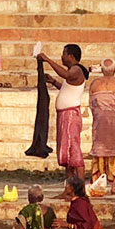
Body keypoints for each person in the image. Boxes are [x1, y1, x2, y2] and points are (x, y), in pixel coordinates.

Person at [37, 43, 88, 177]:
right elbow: (67, 88)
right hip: (64, 115)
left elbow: (66, 75)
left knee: (74, 149)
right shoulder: (73, 72)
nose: (62, 57)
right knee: (66, 152)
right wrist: (53, 82)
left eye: (64, 54)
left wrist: (48, 60)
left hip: (70, 115)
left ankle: (80, 186)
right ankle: (69, 187)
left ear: (70, 56)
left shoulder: (76, 70)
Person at [88, 59, 115, 193]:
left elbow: (92, 104)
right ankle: (114, 186)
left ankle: (97, 183)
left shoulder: (95, 84)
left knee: (99, 151)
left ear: (101, 70)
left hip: (100, 121)